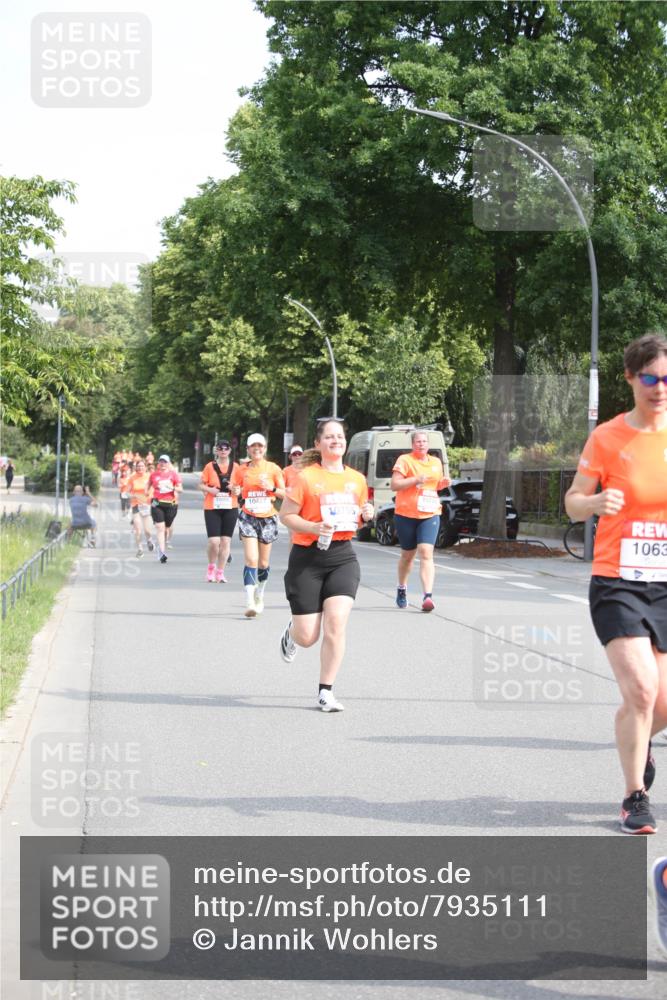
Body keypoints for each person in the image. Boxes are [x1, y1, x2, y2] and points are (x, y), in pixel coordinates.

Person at [565, 332, 667, 835]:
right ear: (630, 378)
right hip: (617, 580)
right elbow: (573, 502)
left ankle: (638, 739)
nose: (660, 388)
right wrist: (594, 503)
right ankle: (634, 796)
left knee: (661, 702)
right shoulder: (607, 437)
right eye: (650, 378)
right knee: (642, 690)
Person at [278, 418, 375, 712]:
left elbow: (357, 518)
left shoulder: (357, 479)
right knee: (308, 637)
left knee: (336, 624)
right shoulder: (306, 477)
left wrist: (367, 514)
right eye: (330, 437)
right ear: (318, 443)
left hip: (342, 557)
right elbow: (286, 516)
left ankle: (326, 691)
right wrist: (313, 527)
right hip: (307, 558)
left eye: (340, 436)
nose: (336, 441)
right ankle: (292, 632)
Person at [390, 430, 449, 612]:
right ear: (412, 444)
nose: (421, 444)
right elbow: (394, 485)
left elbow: (434, 486)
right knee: (408, 555)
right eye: (418, 442)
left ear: (428, 444)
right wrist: (415, 479)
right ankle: (402, 588)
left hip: (430, 513)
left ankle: (427, 596)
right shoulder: (405, 460)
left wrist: (442, 484)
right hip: (406, 514)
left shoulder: (436, 462)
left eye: (424, 441)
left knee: (426, 552)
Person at [230, 434, 285, 617]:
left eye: (260, 446)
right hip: (248, 516)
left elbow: (285, 494)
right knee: (251, 559)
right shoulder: (241, 470)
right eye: (253, 446)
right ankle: (249, 601)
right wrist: (235, 490)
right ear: (248, 449)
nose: (256, 449)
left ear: (265, 448)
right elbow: (234, 489)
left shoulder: (273, 468)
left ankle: (259, 593)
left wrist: (271, 488)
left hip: (268, 518)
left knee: (263, 563)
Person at [199, 440, 238, 582]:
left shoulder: (236, 467)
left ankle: (220, 572)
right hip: (212, 507)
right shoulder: (210, 466)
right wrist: (211, 490)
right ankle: (211, 567)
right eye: (220, 448)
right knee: (214, 541)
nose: (223, 451)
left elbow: (241, 488)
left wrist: (235, 488)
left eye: (226, 448)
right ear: (216, 450)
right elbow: (201, 485)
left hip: (230, 507)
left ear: (229, 450)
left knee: (226, 541)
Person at [147, 455, 183, 563]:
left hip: (171, 504)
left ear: (168, 463)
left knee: (166, 529)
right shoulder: (154, 475)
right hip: (156, 502)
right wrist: (146, 492)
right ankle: (162, 553)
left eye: (165, 462)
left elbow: (181, 489)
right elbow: (148, 485)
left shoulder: (174, 475)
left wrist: (173, 488)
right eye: (161, 462)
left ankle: (163, 545)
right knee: (160, 527)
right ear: (158, 463)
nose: (162, 464)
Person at [126, 459, 155, 557]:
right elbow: (127, 492)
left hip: (146, 505)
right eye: (138, 466)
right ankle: (140, 549)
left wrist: (149, 499)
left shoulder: (150, 477)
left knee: (147, 530)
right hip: (136, 506)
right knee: (138, 529)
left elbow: (153, 491)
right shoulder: (132, 478)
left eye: (142, 466)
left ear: (145, 467)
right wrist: (133, 495)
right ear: (136, 467)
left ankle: (149, 540)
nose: (140, 468)